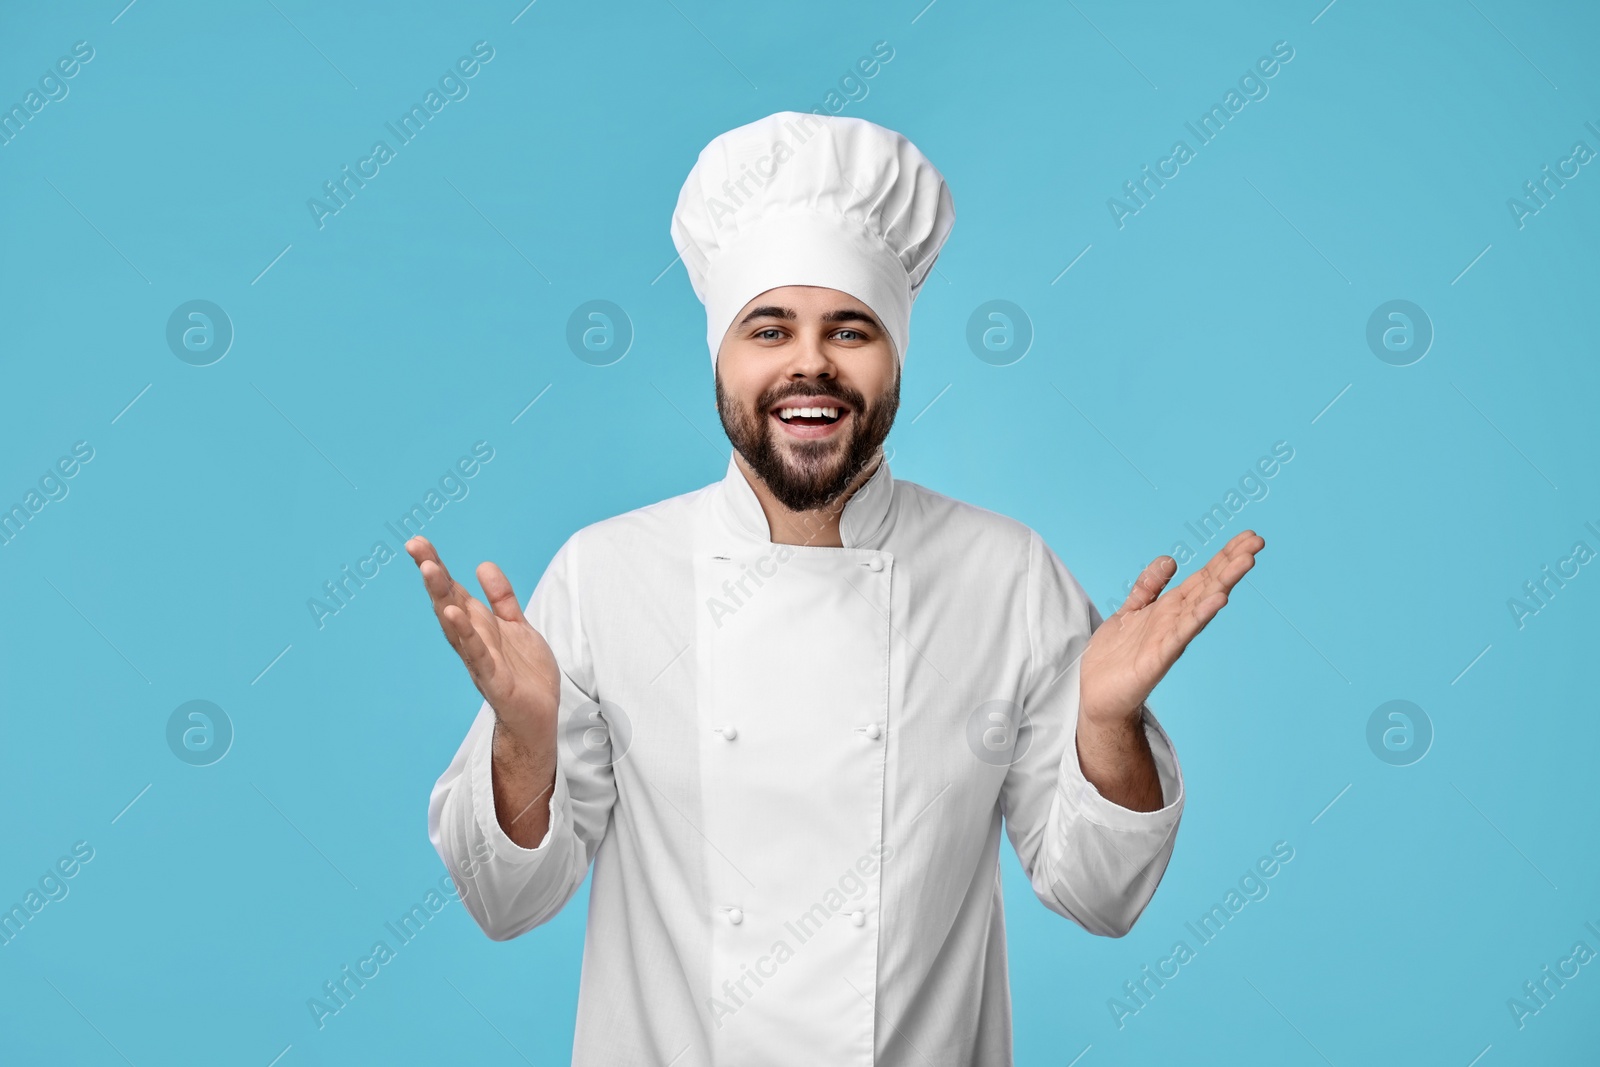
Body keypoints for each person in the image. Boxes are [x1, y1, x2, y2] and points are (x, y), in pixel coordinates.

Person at [411, 111, 1264, 1066]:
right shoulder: (608, 573)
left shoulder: (1006, 574)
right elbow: (507, 901)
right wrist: (525, 745)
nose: (809, 363)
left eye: (848, 329)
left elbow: (1101, 895)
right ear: (721, 359)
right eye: (768, 328)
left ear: (896, 356)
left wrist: (1104, 725)